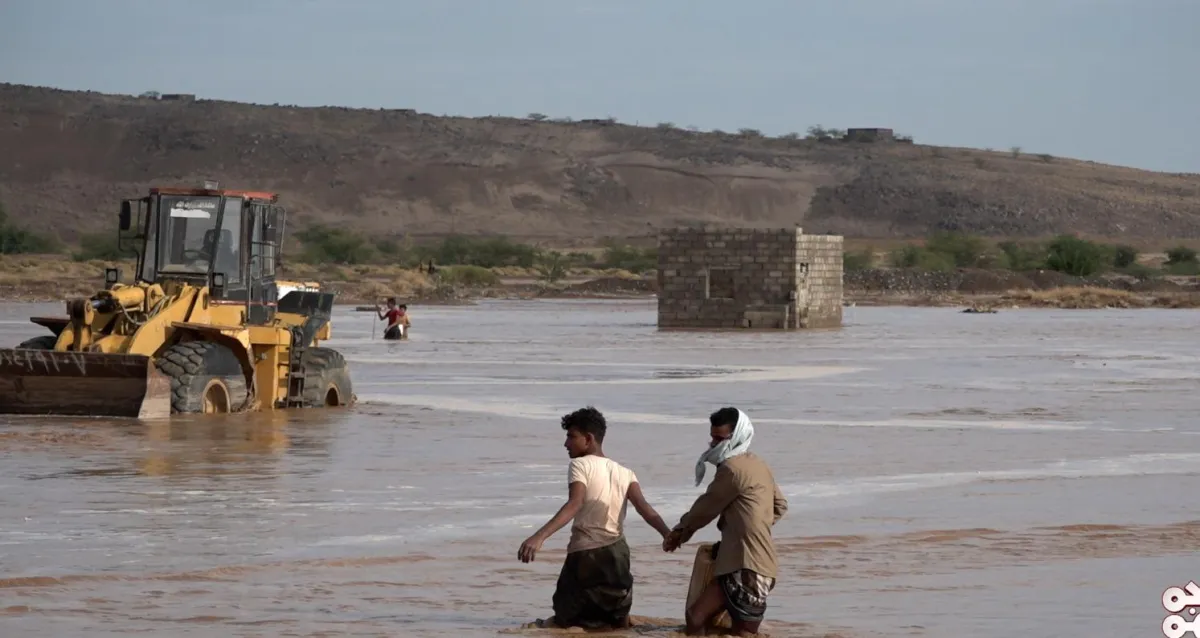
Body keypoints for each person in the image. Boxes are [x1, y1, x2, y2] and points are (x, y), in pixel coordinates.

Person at [518, 406, 673, 630]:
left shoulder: (579, 464)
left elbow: (575, 503)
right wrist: (668, 534)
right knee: (615, 614)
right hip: (618, 552)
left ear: (589, 439)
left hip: (586, 554)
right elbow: (645, 508)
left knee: (565, 615)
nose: (566, 443)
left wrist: (539, 537)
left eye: (571, 436)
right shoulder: (625, 471)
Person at [662, 407, 788, 637]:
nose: (712, 444)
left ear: (737, 436)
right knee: (697, 617)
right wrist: (746, 530)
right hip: (751, 563)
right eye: (712, 437)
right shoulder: (758, 464)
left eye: (719, 439)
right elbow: (779, 506)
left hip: (749, 569)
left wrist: (679, 533)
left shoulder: (732, 469)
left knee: (739, 631)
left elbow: (706, 507)